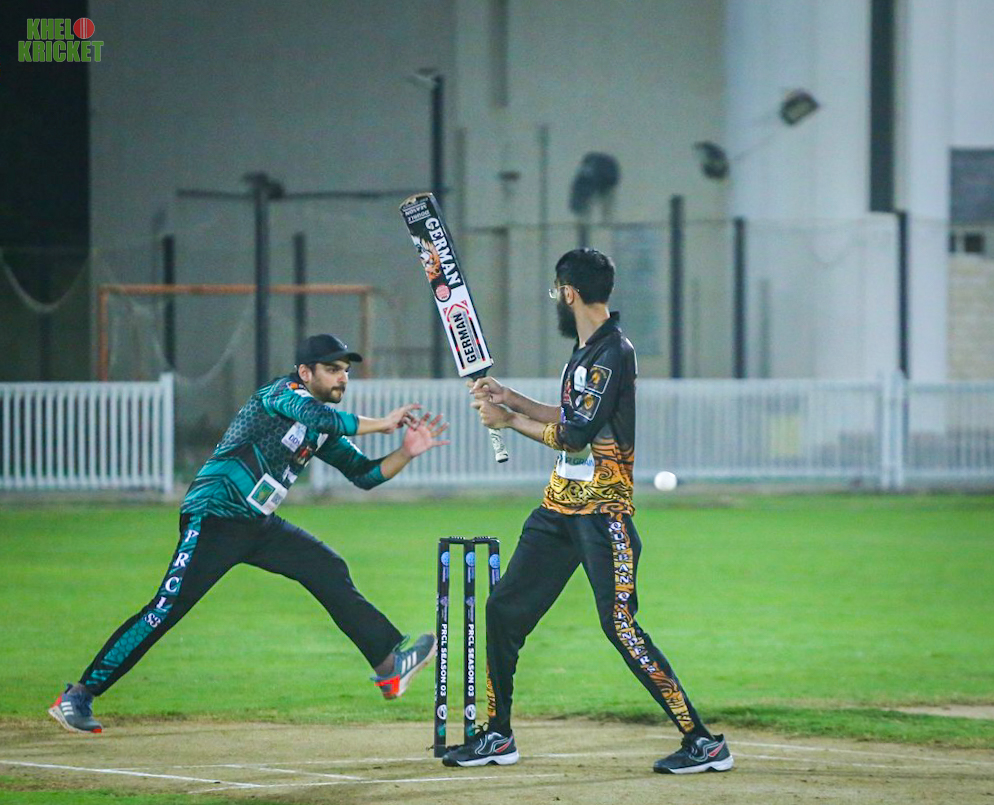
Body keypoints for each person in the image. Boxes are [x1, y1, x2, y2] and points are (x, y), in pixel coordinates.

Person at [49, 334, 446, 734]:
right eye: (332, 369)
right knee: (163, 611)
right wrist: (383, 423)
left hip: (257, 524)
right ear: (305, 372)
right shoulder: (281, 394)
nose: (342, 378)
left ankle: (389, 667)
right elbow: (321, 417)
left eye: (345, 370)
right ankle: (77, 696)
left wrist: (406, 452)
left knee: (326, 566)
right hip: (214, 516)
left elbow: (364, 475)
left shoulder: (321, 425)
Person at [445, 249, 733, 774]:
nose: (556, 300)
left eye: (557, 292)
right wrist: (511, 399)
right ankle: (498, 735)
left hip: (603, 513)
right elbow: (570, 414)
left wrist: (508, 421)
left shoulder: (611, 352)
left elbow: (575, 435)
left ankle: (703, 741)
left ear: (569, 293)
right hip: (559, 511)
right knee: (503, 610)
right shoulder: (585, 352)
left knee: (619, 625)